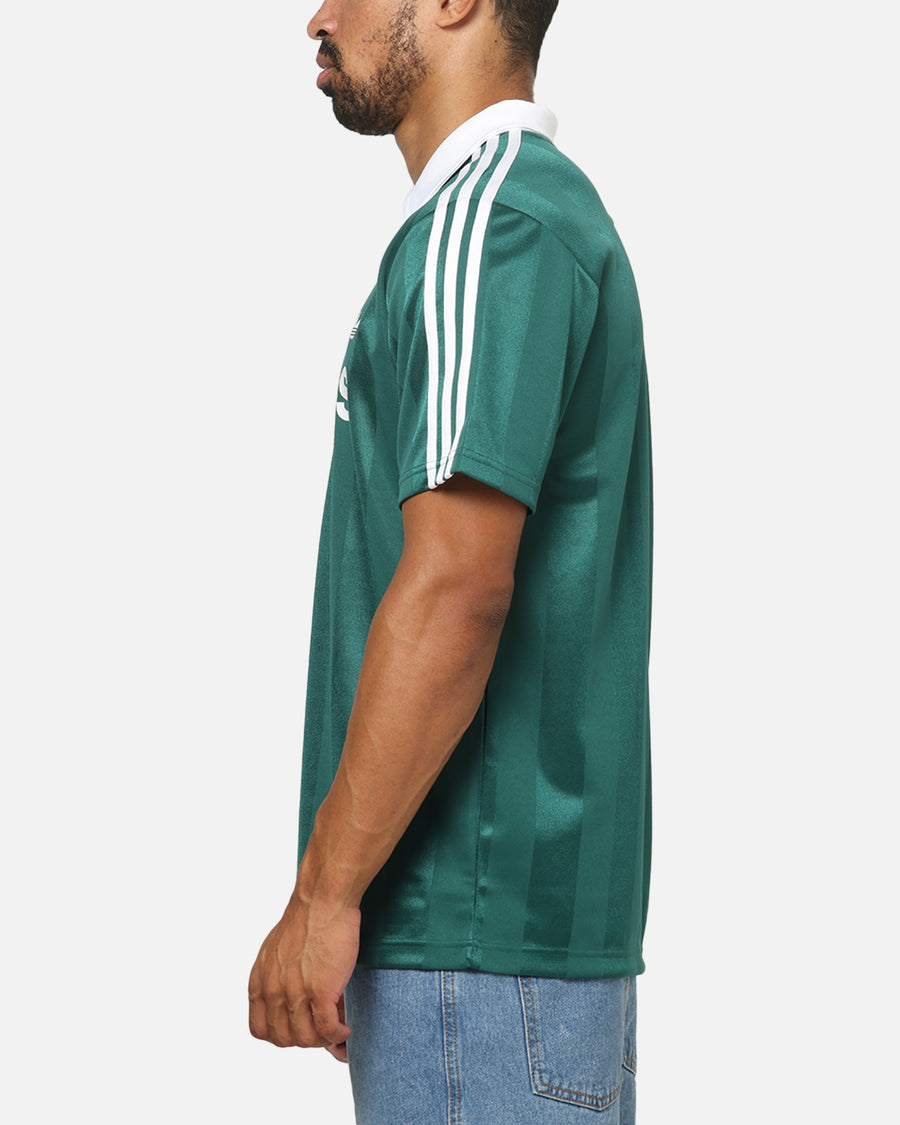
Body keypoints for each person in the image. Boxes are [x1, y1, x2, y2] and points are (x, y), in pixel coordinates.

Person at [249, 1, 653, 1121]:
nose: (318, 16)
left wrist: (324, 895)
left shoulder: (493, 223)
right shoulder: (499, 219)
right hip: (493, 956)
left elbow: (457, 589)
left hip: (475, 947)